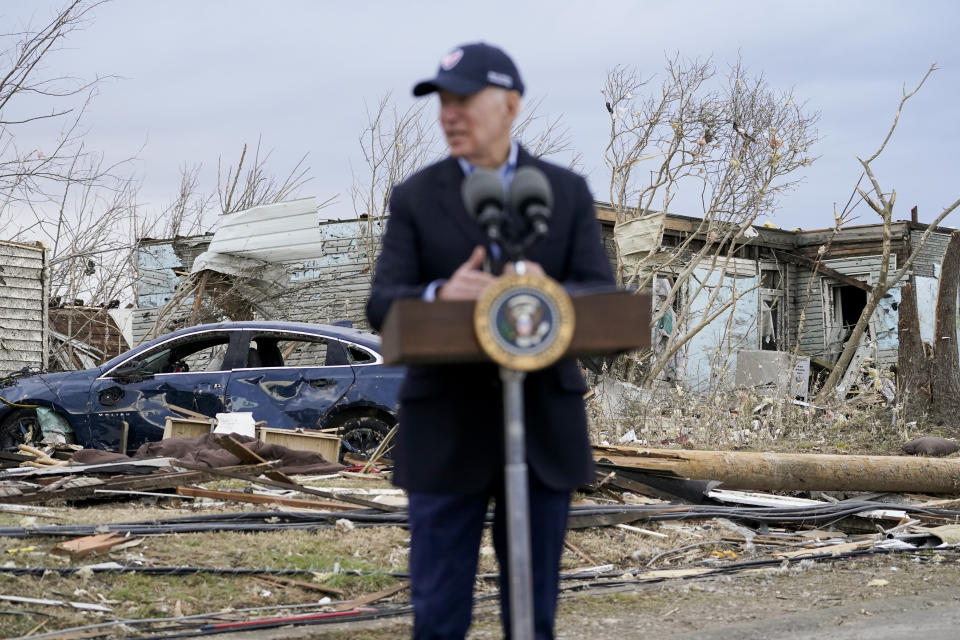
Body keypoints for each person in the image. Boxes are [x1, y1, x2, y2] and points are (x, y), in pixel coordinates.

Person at [366, 42, 614, 640]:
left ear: (510, 104)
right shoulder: (416, 197)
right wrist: (438, 295)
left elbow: (602, 298)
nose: (450, 114)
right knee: (439, 608)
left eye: (464, 100)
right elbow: (380, 304)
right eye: (442, 102)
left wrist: (543, 291)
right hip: (445, 427)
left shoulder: (566, 191)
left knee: (533, 612)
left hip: (541, 429)